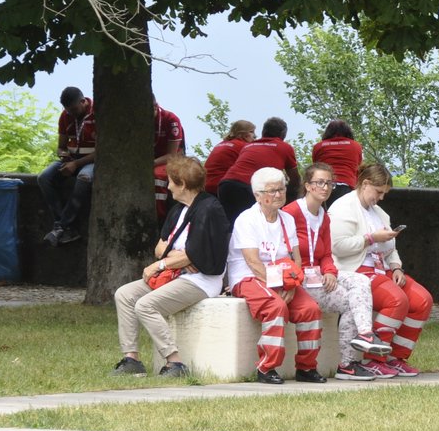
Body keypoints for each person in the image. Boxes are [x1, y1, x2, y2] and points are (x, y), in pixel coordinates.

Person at [110, 156, 228, 378]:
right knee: (124, 294)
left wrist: (162, 263)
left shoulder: (209, 209)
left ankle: (175, 363)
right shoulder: (178, 209)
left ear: (182, 183)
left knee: (145, 306)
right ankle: (131, 359)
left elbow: (199, 254)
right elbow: (160, 247)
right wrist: (180, 257)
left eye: (171, 181)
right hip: (176, 274)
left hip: (200, 281)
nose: (168, 185)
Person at [283, 162, 389, 381]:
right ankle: (352, 358)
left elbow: (326, 254)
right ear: (308, 186)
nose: (325, 187)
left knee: (359, 282)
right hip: (299, 279)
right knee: (351, 300)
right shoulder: (291, 213)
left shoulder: (323, 215)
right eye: (319, 182)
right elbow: (283, 252)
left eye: (329, 183)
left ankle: (355, 352)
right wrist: (298, 276)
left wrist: (330, 272)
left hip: (319, 277)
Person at [329, 160, 434, 376]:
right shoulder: (343, 208)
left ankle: (397, 356)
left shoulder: (379, 213)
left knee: (422, 300)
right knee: (396, 300)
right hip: (356, 269)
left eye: (384, 193)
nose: (380, 198)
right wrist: (370, 238)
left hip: (382, 269)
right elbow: (338, 247)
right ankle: (374, 358)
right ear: (365, 183)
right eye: (378, 192)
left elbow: (389, 246)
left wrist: (396, 267)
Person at [226, 166, 324, 385]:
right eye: (272, 191)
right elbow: (253, 262)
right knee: (276, 306)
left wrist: (291, 284)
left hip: (282, 278)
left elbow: (296, 259)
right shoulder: (247, 219)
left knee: (311, 310)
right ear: (257, 195)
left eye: (281, 189)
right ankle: (266, 368)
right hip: (249, 277)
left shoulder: (287, 219)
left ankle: (307, 367)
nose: (278, 194)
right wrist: (279, 286)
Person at [40, 85, 96, 245]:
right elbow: (61, 146)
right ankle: (68, 228)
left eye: (74, 110)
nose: (71, 114)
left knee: (84, 177)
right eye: (68, 111)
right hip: (71, 160)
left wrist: (76, 164)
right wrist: (64, 156)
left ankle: (60, 226)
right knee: (44, 178)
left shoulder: (98, 113)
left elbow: (102, 152)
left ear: (83, 101)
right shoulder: (66, 116)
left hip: (91, 161)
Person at [219, 116, 300, 224]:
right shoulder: (285, 147)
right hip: (247, 188)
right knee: (258, 225)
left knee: (231, 227)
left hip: (226, 185)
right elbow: (295, 179)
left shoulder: (249, 146)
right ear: (283, 134)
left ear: (263, 132)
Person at [311, 120, 363, 205]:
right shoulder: (356, 146)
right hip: (347, 186)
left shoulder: (318, 147)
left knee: (323, 216)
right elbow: (358, 167)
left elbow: (315, 167)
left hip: (323, 186)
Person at [151, 98, 186, 221]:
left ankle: (159, 217)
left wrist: (152, 163)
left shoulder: (171, 120)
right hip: (152, 158)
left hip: (170, 159)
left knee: (157, 176)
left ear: (155, 107)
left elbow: (173, 155)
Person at [203, 120, 256, 194]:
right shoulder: (243, 146)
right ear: (243, 134)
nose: (255, 136)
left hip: (205, 186)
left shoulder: (220, 144)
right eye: (251, 132)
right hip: (221, 188)